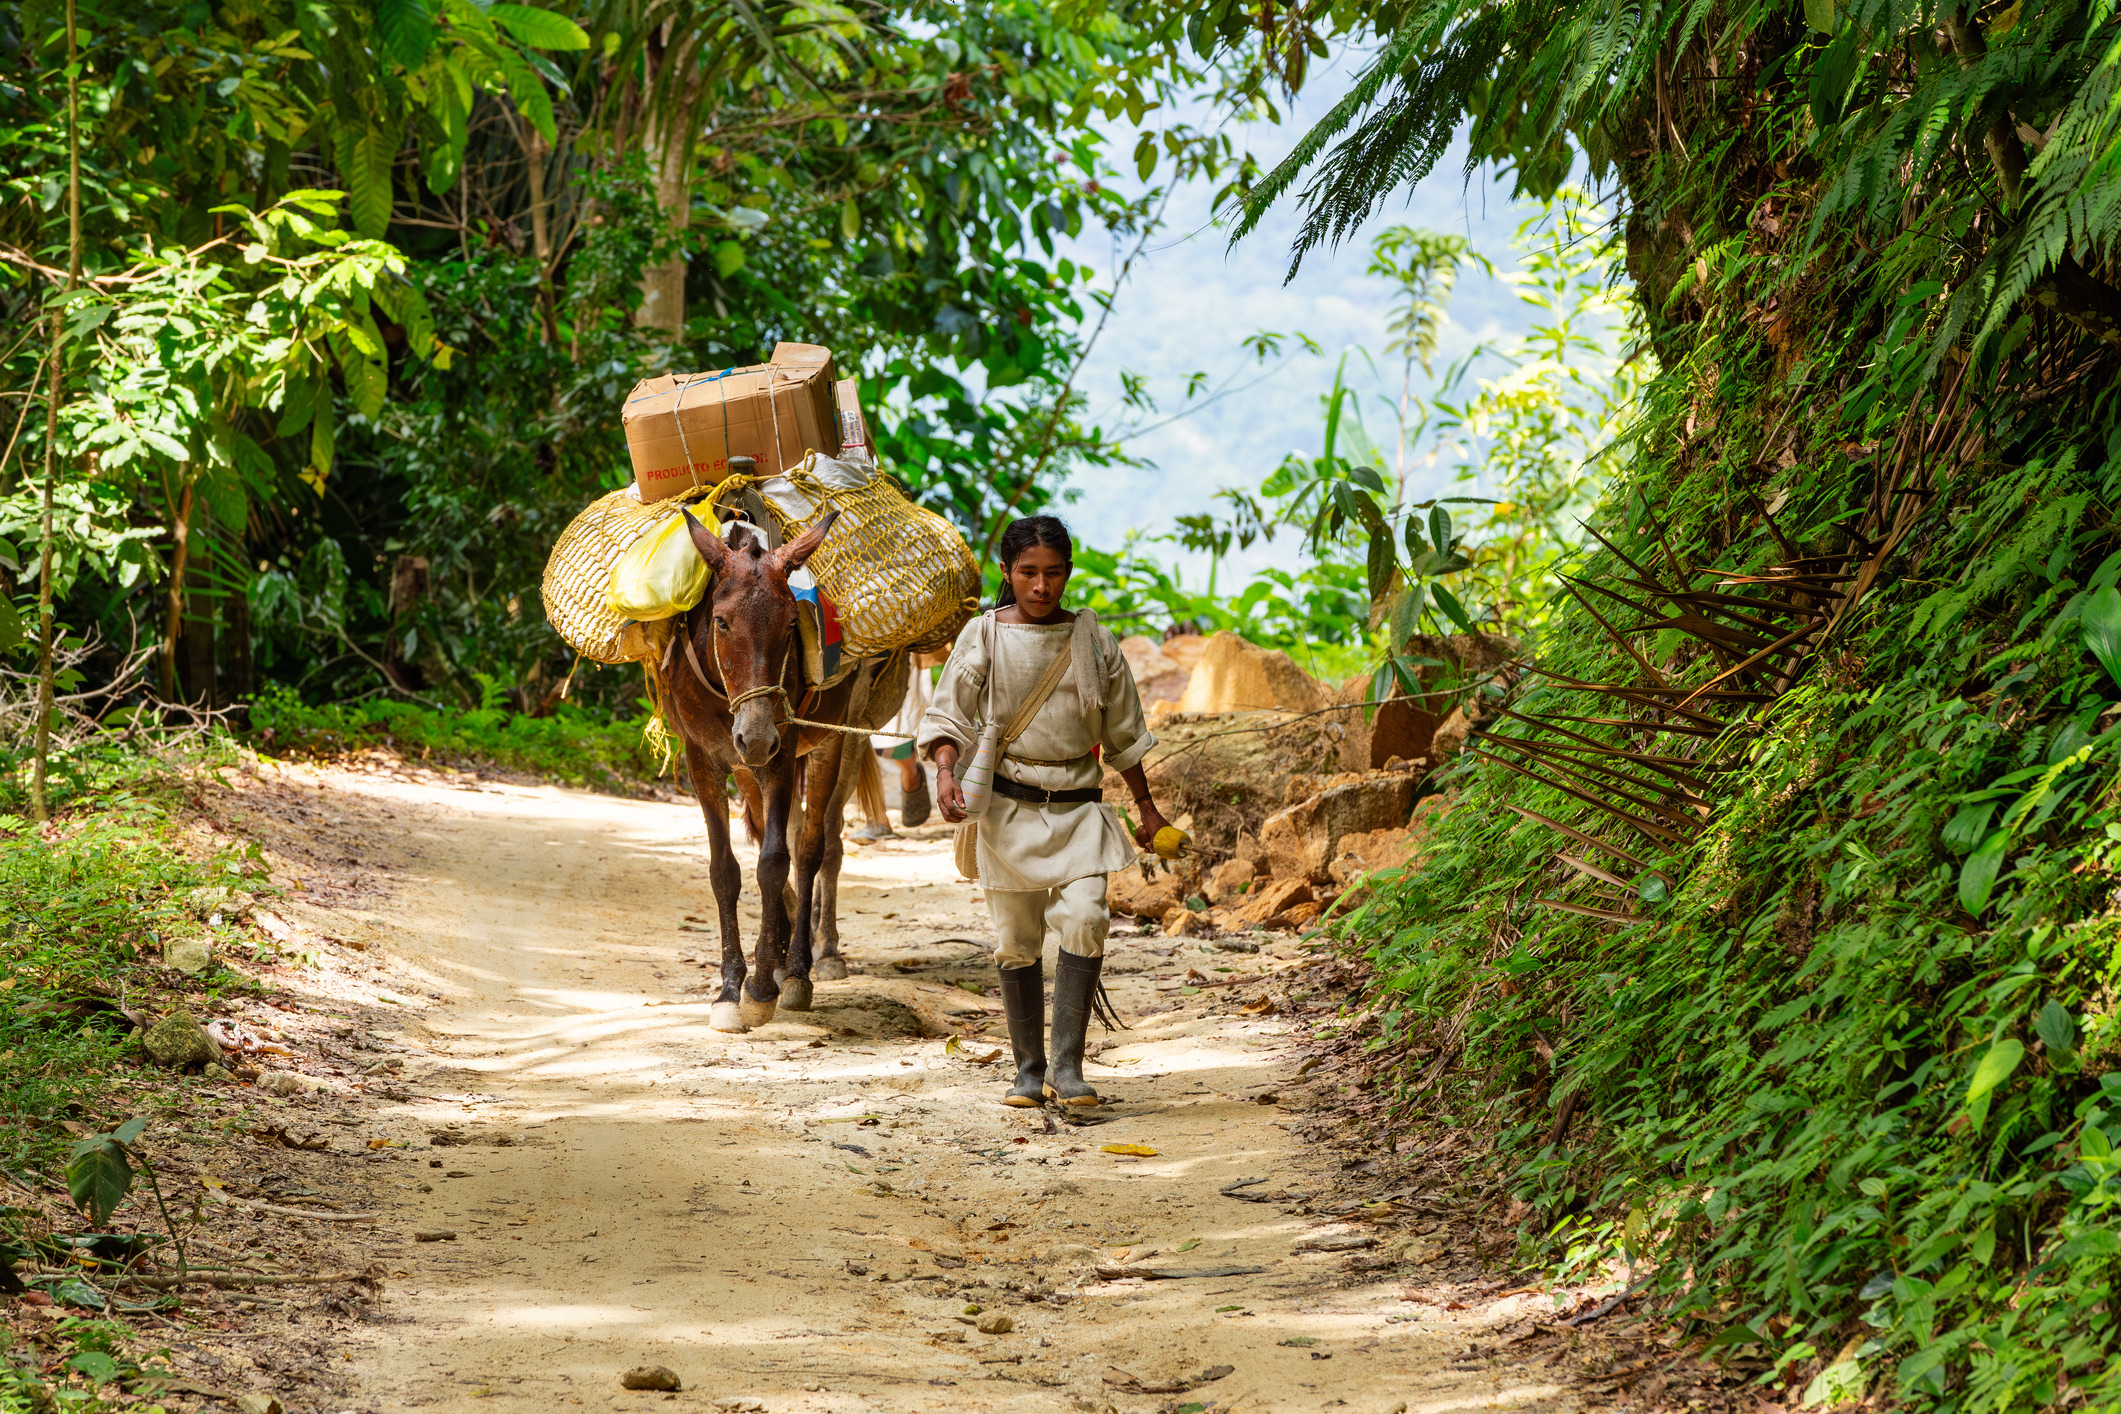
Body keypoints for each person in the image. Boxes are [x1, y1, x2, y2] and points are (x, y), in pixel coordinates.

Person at [919, 516, 1172, 1107]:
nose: (1041, 587)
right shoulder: (983, 637)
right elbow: (949, 715)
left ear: (1068, 574)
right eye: (1028, 573)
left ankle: (1068, 1068)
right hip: (1005, 812)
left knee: (1086, 918)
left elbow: (1124, 734)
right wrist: (946, 772)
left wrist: (1148, 811)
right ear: (1006, 573)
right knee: (1016, 940)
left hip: (1080, 810)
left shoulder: (1093, 641)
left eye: (1053, 574)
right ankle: (1029, 1073)